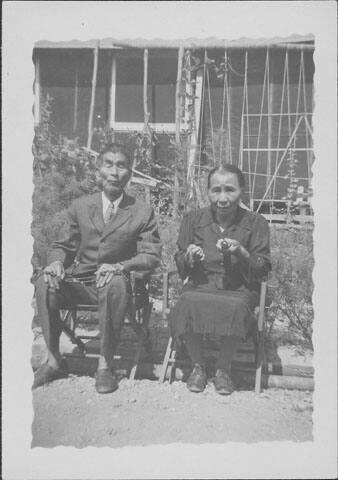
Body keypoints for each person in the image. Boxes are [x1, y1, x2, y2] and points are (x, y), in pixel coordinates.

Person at [33, 143, 161, 393]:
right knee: (45, 282)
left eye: (121, 165)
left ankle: (104, 366)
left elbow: (151, 255)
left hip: (120, 285)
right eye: (108, 164)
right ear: (98, 171)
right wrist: (56, 261)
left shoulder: (142, 211)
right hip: (82, 283)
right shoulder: (80, 206)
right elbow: (62, 245)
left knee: (113, 282)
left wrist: (120, 267)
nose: (114, 172)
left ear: (130, 173)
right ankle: (54, 359)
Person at [170, 164, 271, 395]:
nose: (223, 198)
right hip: (201, 284)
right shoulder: (192, 219)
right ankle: (198, 366)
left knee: (235, 306)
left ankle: (223, 369)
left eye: (230, 190)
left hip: (239, 287)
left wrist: (241, 252)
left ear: (242, 190)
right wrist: (189, 255)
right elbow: (180, 261)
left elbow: (262, 267)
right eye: (216, 190)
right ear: (207, 192)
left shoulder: (256, 222)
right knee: (187, 302)